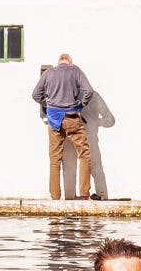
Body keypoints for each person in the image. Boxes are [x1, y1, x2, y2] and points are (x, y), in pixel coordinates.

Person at [32, 53, 99, 200]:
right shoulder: (75, 70)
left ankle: (55, 197)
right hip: (72, 118)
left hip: (54, 120)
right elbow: (89, 91)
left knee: (55, 159)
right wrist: (80, 104)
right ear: (69, 62)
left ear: (59, 62)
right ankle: (83, 194)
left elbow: (36, 94)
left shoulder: (49, 73)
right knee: (84, 155)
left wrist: (48, 104)